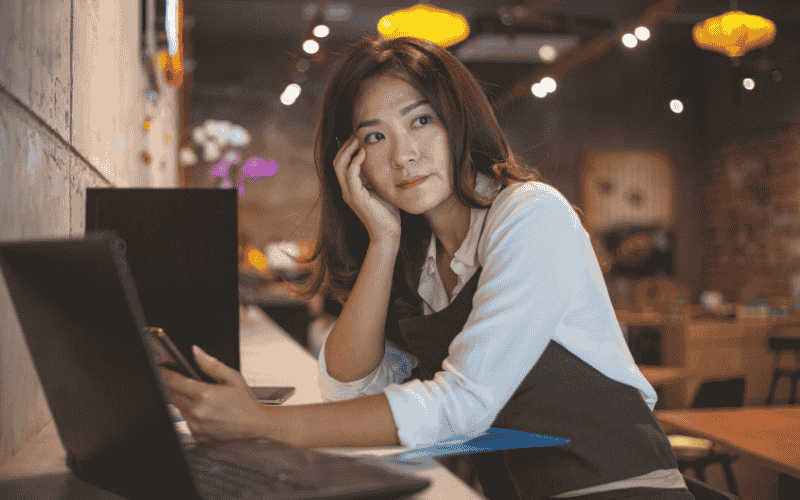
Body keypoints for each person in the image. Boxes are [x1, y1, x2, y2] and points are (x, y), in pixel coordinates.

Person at [162, 36, 695, 500]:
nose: (403, 156)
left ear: (458, 121)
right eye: (375, 137)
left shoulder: (532, 215)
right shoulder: (416, 257)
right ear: (352, 160)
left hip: (621, 489)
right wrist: (383, 240)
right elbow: (349, 391)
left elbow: (461, 404)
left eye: (421, 120)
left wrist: (262, 423)